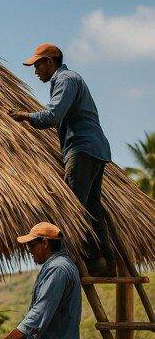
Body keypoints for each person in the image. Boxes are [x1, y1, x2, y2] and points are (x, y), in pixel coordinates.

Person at [8, 43, 116, 277]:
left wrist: (27, 116)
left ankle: (68, 258)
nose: (36, 71)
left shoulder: (65, 79)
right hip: (94, 148)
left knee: (73, 206)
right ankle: (102, 260)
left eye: (38, 65)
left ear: (50, 62)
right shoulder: (70, 79)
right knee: (92, 207)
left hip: (82, 147)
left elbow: (53, 115)